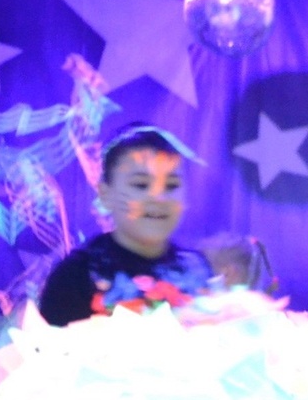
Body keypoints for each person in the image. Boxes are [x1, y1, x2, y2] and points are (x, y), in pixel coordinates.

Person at [37, 124, 212, 326]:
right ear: (105, 194)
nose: (159, 198)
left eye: (171, 185)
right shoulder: (77, 275)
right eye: (141, 185)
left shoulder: (197, 269)